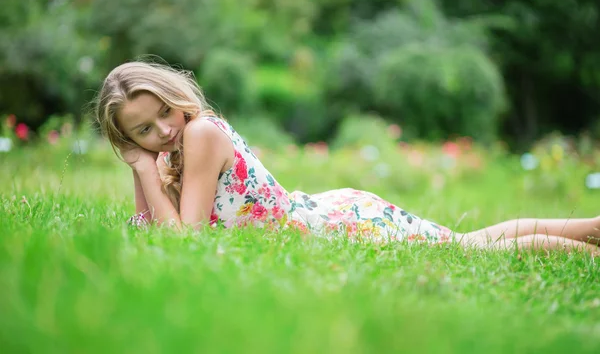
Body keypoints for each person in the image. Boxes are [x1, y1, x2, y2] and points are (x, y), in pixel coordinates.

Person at [94, 61, 600, 255]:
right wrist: (142, 169)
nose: (163, 129)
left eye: (165, 111)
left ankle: (590, 251)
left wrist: (144, 169)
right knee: (465, 240)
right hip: (325, 210)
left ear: (175, 96)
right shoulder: (168, 153)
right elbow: (148, 229)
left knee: (468, 249)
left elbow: (185, 244)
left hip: (335, 226)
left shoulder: (200, 134)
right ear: (126, 137)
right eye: (143, 129)